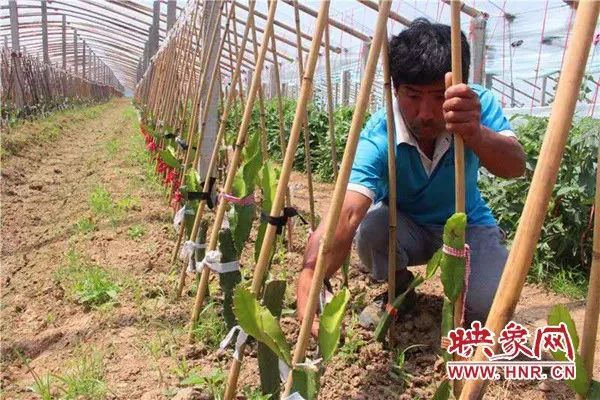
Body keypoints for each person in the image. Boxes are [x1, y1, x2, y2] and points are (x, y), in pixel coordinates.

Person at [296, 18, 526, 336]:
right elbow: (347, 212)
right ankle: (400, 289)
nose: (427, 113)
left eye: (438, 96)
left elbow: (515, 166)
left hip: (467, 224)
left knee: (492, 303)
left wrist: (476, 133)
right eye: (413, 96)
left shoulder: (474, 106)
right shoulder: (381, 134)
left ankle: (467, 307)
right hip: (406, 227)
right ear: (394, 88)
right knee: (371, 229)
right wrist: (313, 271)